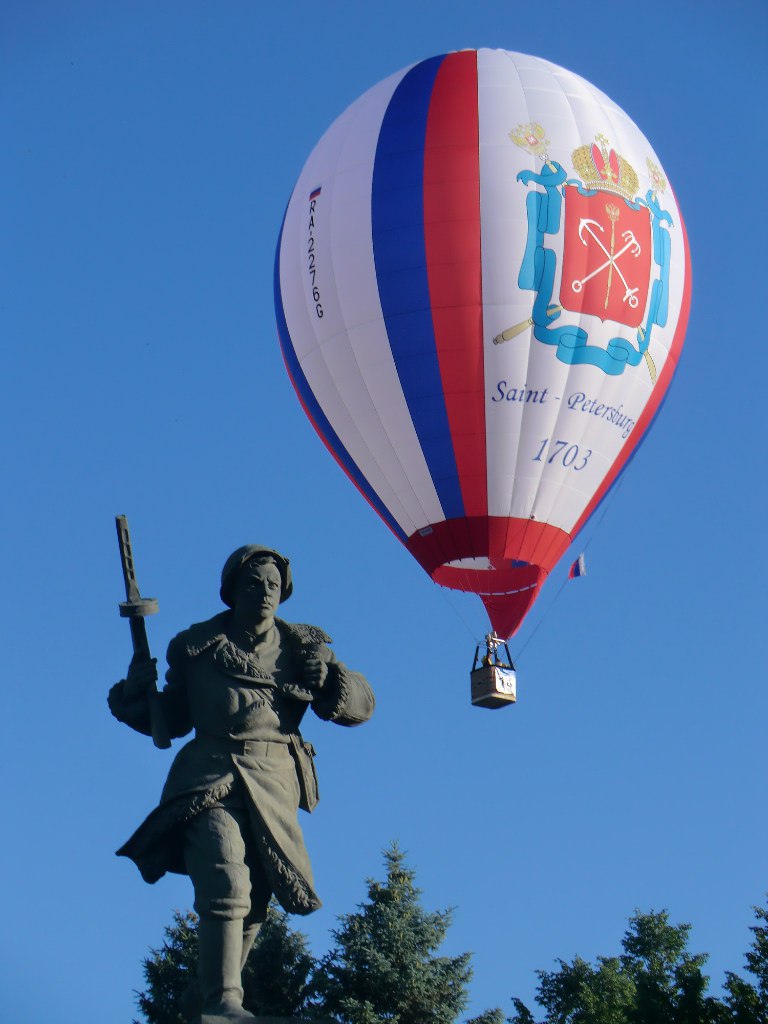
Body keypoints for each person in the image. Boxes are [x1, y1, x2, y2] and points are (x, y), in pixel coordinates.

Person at [108, 545, 375, 1024]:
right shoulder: (196, 647)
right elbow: (169, 719)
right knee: (225, 876)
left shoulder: (304, 646)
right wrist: (136, 691)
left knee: (254, 905)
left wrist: (331, 678)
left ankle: (203, 996)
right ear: (232, 590)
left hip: (274, 786)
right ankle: (223, 1001)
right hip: (210, 776)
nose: (265, 592)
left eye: (273, 584)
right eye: (254, 583)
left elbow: (362, 705)